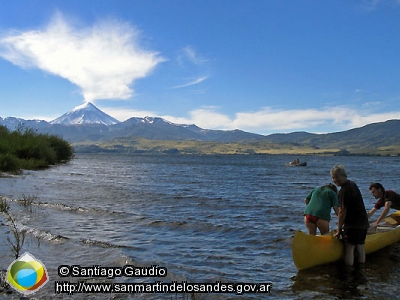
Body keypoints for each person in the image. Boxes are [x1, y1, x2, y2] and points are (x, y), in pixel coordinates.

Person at [331, 165, 369, 266]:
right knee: (360, 247)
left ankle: (348, 273)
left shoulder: (344, 190)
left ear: (344, 176)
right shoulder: (353, 184)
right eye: (333, 177)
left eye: (337, 177)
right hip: (363, 222)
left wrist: (339, 229)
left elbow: (342, 211)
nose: (335, 180)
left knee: (349, 248)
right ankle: (360, 271)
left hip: (353, 224)